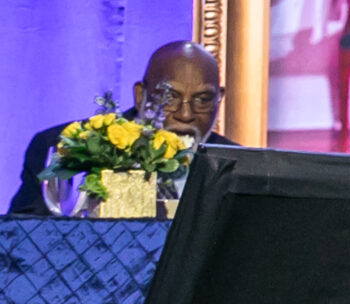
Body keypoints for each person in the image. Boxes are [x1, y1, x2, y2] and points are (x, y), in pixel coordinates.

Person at [10, 41, 231, 215]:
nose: (186, 114)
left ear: (219, 99)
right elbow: (24, 242)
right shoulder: (67, 145)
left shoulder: (235, 163)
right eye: (169, 98)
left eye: (202, 99)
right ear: (140, 96)